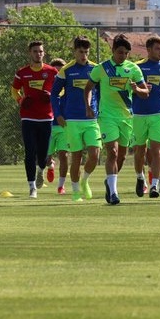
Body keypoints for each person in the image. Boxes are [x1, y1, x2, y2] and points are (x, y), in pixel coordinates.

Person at [85, 33, 149, 205]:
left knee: (121, 156)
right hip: (107, 117)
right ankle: (113, 193)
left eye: (126, 53)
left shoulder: (133, 69)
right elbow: (88, 87)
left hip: (126, 117)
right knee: (111, 153)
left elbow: (146, 93)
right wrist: (88, 105)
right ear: (113, 51)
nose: (122, 56)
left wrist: (137, 90)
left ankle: (109, 181)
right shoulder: (102, 68)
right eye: (120, 52)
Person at [51, 36, 101, 202]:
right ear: (75, 51)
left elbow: (101, 92)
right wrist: (58, 114)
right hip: (71, 120)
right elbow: (54, 94)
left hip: (91, 120)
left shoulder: (95, 69)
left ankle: (85, 180)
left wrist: (99, 110)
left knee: (95, 155)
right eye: (81, 52)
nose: (84, 55)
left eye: (86, 52)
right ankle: (75, 193)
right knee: (76, 157)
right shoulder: (66, 70)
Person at [12, 41, 60, 199]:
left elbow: (62, 90)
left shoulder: (52, 71)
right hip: (28, 117)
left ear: (43, 53)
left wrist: (53, 97)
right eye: (35, 51)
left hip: (46, 118)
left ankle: (41, 170)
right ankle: (32, 187)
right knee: (29, 152)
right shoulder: (22, 72)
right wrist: (20, 101)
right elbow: (14, 90)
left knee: (42, 153)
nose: (38, 54)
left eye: (40, 51)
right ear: (29, 53)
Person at [132, 35, 160, 199]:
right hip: (139, 114)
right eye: (158, 49)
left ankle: (155, 185)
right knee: (139, 151)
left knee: (157, 151)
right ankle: (140, 178)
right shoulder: (137, 67)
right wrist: (136, 89)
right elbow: (130, 87)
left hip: (158, 114)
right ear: (148, 50)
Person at [46, 58, 69, 195]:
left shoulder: (69, 88)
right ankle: (50, 166)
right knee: (45, 158)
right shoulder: (47, 88)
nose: (58, 73)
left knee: (64, 155)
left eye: (61, 70)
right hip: (48, 126)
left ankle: (61, 186)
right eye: (55, 70)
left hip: (64, 127)